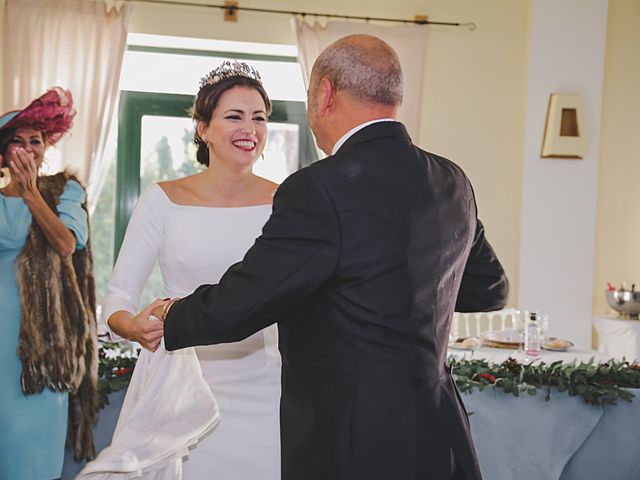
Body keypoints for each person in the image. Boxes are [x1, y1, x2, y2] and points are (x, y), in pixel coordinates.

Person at [158, 35, 509, 480]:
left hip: (350, 443)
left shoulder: (318, 188)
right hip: (437, 434)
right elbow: (489, 289)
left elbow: (248, 299)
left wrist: (170, 316)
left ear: (324, 94)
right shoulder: (451, 180)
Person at [103, 61, 281, 479]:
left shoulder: (286, 202)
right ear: (202, 127)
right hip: (182, 385)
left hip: (265, 385)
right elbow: (118, 297)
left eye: (259, 118)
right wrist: (131, 326)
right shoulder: (162, 200)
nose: (249, 129)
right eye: (234, 116)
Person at [0, 87, 98, 480]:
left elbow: (66, 243)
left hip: (43, 342)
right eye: (17, 141)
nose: (27, 148)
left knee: (32, 452)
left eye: (34, 141)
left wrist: (31, 195)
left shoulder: (65, 191)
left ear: (45, 148)